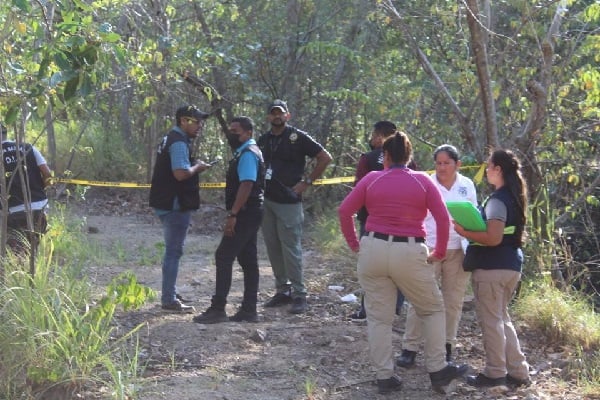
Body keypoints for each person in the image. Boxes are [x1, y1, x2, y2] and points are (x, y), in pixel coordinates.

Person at [338, 131, 468, 395]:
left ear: (385, 156)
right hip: (409, 250)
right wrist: (440, 251)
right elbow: (443, 219)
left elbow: (344, 211)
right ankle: (437, 368)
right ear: (409, 158)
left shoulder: (372, 179)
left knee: (379, 318)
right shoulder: (422, 181)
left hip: (373, 248)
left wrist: (355, 244)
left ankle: (384, 376)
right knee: (431, 309)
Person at [453, 149, 531, 388]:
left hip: (492, 268)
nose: (486, 170)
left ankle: (495, 372)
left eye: (489, 166)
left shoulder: (498, 200)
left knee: (492, 322)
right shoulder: (515, 197)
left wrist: (465, 232)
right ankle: (518, 371)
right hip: (510, 266)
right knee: (502, 319)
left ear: (498, 170)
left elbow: (494, 237)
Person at [397, 144, 477, 367]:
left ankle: (447, 346)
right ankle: (409, 347)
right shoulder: (426, 182)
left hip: (458, 249)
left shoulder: (467, 185)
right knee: (419, 298)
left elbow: (474, 215)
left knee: (453, 301)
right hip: (429, 247)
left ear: (457, 164)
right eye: (438, 163)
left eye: (446, 163)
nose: (442, 167)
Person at [258, 99, 332, 314]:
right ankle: (283, 290)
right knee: (273, 247)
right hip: (267, 200)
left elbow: (325, 158)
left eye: (280, 113)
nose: (276, 116)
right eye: (273, 113)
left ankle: (300, 294)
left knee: (291, 247)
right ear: (268, 117)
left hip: (289, 200)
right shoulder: (263, 140)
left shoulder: (297, 137)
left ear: (287, 115)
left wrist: (306, 182)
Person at [193, 116, 265, 324]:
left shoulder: (248, 154)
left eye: (237, 132)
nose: (232, 135)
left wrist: (233, 214)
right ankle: (249, 310)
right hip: (251, 210)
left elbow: (247, 184)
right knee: (248, 259)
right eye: (231, 131)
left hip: (245, 212)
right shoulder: (244, 152)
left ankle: (218, 309)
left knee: (224, 255)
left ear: (249, 133)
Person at [350, 120, 416, 320]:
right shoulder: (409, 162)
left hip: (372, 224)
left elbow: (357, 191)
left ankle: (367, 310)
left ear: (380, 137)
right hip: (403, 224)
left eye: (373, 134)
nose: (371, 139)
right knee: (401, 268)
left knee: (371, 268)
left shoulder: (367, 159)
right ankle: (395, 308)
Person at [149, 105, 212, 313]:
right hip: (174, 204)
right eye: (196, 121)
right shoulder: (177, 143)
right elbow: (181, 173)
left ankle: (170, 292)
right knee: (173, 252)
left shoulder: (173, 138)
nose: (200, 125)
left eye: (201, 121)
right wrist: (199, 167)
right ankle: (168, 299)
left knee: (173, 251)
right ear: (183, 121)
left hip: (167, 201)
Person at [1, 122, 52, 256]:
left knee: (16, 253)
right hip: (39, 206)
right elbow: (47, 175)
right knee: (31, 250)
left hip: (12, 211)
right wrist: (40, 191)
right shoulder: (29, 148)